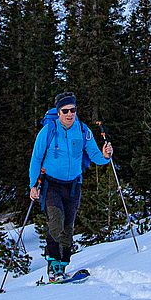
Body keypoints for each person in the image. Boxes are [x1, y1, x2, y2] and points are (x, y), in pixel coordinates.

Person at [28, 92, 113, 281]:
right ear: (58, 113)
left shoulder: (83, 130)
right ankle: (52, 265)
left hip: (73, 185)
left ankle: (63, 264)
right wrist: (33, 185)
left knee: (68, 226)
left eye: (72, 110)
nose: (69, 114)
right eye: (65, 111)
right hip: (51, 184)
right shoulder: (48, 131)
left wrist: (106, 156)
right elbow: (35, 159)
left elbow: (96, 157)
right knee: (56, 221)